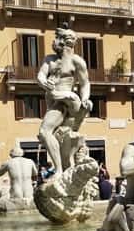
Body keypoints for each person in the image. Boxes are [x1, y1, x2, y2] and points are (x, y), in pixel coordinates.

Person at [36, 23, 93, 175]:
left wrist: (85, 98)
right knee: (44, 132)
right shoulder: (50, 60)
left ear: (67, 43)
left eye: (59, 39)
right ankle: (60, 168)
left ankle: (60, 169)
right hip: (55, 103)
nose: (55, 42)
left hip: (69, 102)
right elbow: (40, 76)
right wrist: (44, 83)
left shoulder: (77, 61)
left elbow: (85, 83)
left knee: (67, 98)